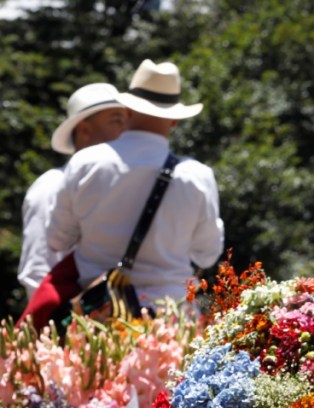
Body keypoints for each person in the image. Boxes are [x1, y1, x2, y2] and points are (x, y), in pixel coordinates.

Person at [42, 58, 223, 319]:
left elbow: (57, 240)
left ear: (126, 110)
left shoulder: (84, 164)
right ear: (175, 121)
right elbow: (207, 255)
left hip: (102, 315)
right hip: (171, 318)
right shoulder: (197, 176)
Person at [16, 83, 128, 300]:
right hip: (73, 321)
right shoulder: (52, 185)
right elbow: (37, 269)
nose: (126, 131)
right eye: (116, 121)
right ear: (85, 130)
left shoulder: (121, 183)